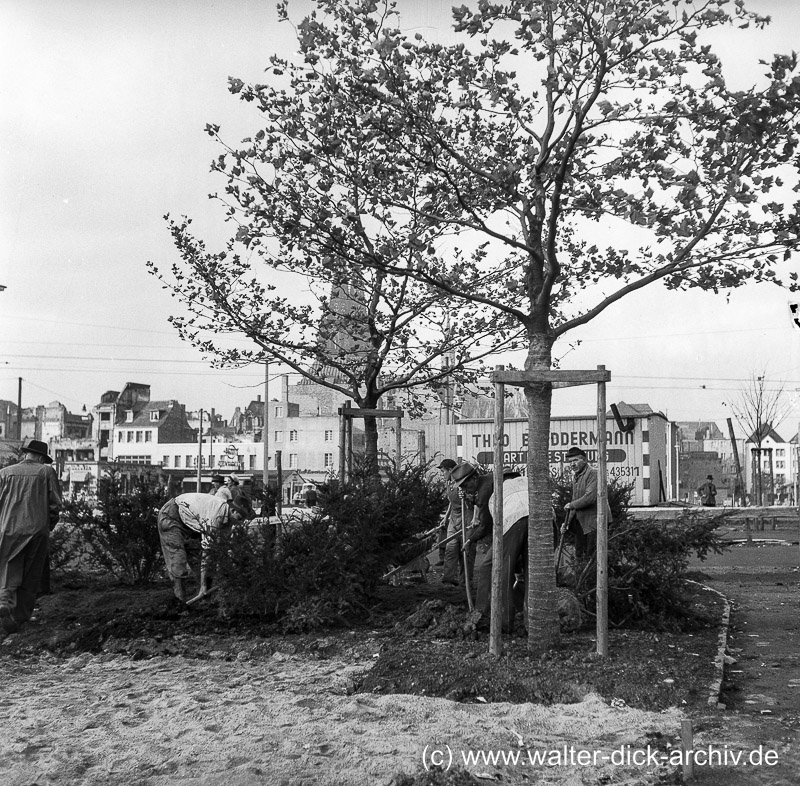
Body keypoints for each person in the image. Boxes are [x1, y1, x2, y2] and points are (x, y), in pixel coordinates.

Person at [454, 463, 528, 633]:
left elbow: (485, 525)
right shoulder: (515, 481)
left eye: (466, 485)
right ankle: (531, 621)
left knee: (495, 569)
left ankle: (489, 616)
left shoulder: (486, 489)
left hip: (514, 521)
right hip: (541, 521)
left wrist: (470, 540)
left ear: (474, 478)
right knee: (527, 573)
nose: (465, 490)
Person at [0, 438, 62, 638]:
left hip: (8, 528)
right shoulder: (46, 472)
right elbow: (55, 505)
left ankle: (4, 601)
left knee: (9, 566)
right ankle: (21, 617)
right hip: (36, 529)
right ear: (42, 457)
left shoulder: (4, 473)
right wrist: (48, 526)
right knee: (31, 572)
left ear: (25, 454)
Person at [157, 492, 250, 603]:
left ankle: (204, 600)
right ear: (233, 511)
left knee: (198, 558)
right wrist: (203, 585)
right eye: (240, 518)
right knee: (178, 559)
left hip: (190, 521)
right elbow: (208, 552)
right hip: (171, 515)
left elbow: (219, 550)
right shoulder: (215, 516)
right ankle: (180, 603)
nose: (241, 522)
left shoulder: (228, 519)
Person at [562, 447, 612, 560]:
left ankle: (593, 577)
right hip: (582, 522)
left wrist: (571, 505)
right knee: (580, 554)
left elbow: (590, 498)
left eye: (575, 460)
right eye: (570, 462)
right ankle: (581, 577)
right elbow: (575, 500)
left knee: (592, 556)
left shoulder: (593, 473)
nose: (572, 464)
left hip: (596, 522)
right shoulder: (577, 477)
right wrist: (566, 523)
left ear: (584, 460)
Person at [439, 459, 475, 585]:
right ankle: (449, 578)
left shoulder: (462, 482)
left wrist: (465, 498)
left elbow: (474, 502)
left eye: (443, 471)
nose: (442, 473)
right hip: (454, 519)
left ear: (450, 470)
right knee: (450, 548)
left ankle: (465, 580)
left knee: (466, 551)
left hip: (467, 516)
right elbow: (451, 501)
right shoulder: (448, 483)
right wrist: (446, 517)